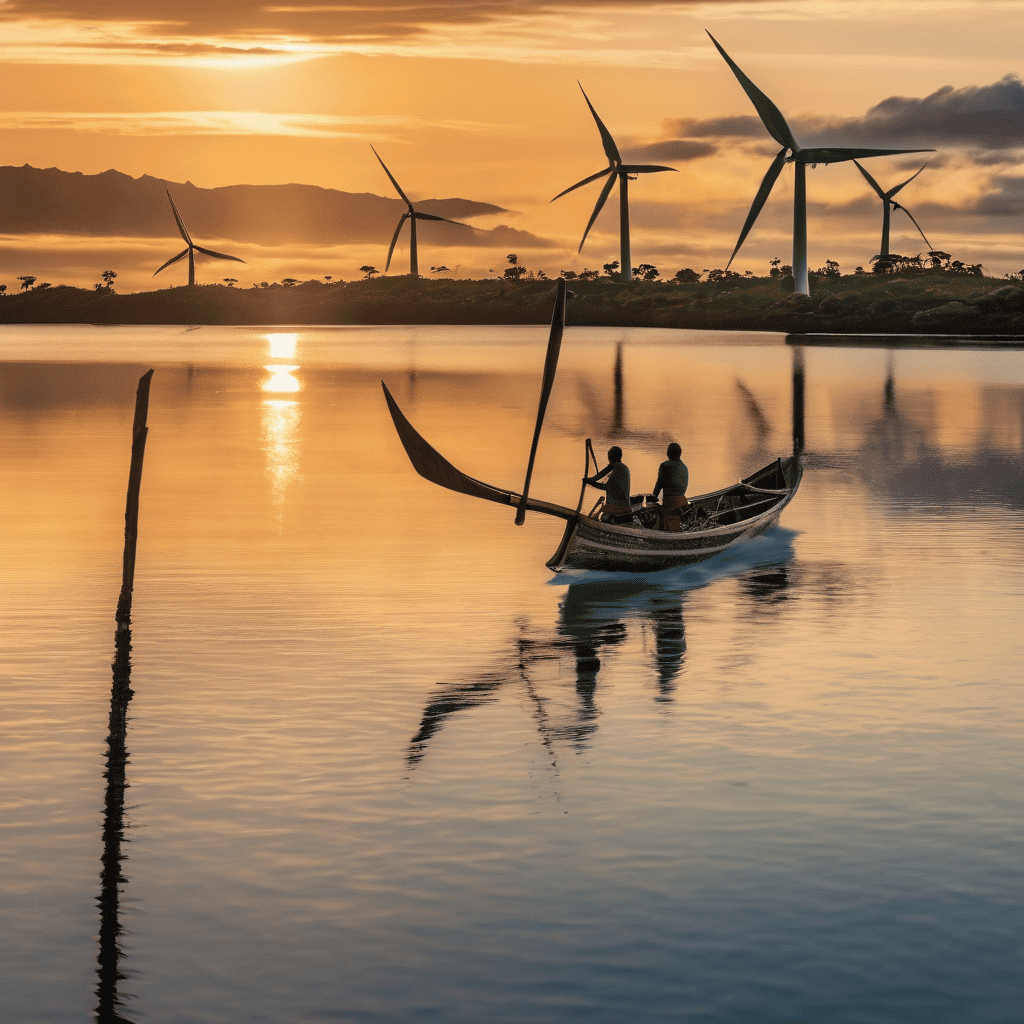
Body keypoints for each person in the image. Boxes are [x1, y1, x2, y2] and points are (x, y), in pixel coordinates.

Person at [584, 446, 632, 521]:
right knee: (603, 509)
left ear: (615, 458)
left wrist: (591, 482)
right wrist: (591, 480)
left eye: (610, 458)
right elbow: (603, 474)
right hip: (619, 506)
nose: (609, 460)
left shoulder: (619, 467)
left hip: (620, 508)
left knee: (601, 511)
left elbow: (605, 485)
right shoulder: (619, 467)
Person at [652, 442, 689, 531]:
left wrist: (652, 499)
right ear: (680, 453)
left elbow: (659, 485)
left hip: (670, 504)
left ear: (668, 453)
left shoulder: (665, 465)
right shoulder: (684, 467)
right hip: (682, 502)